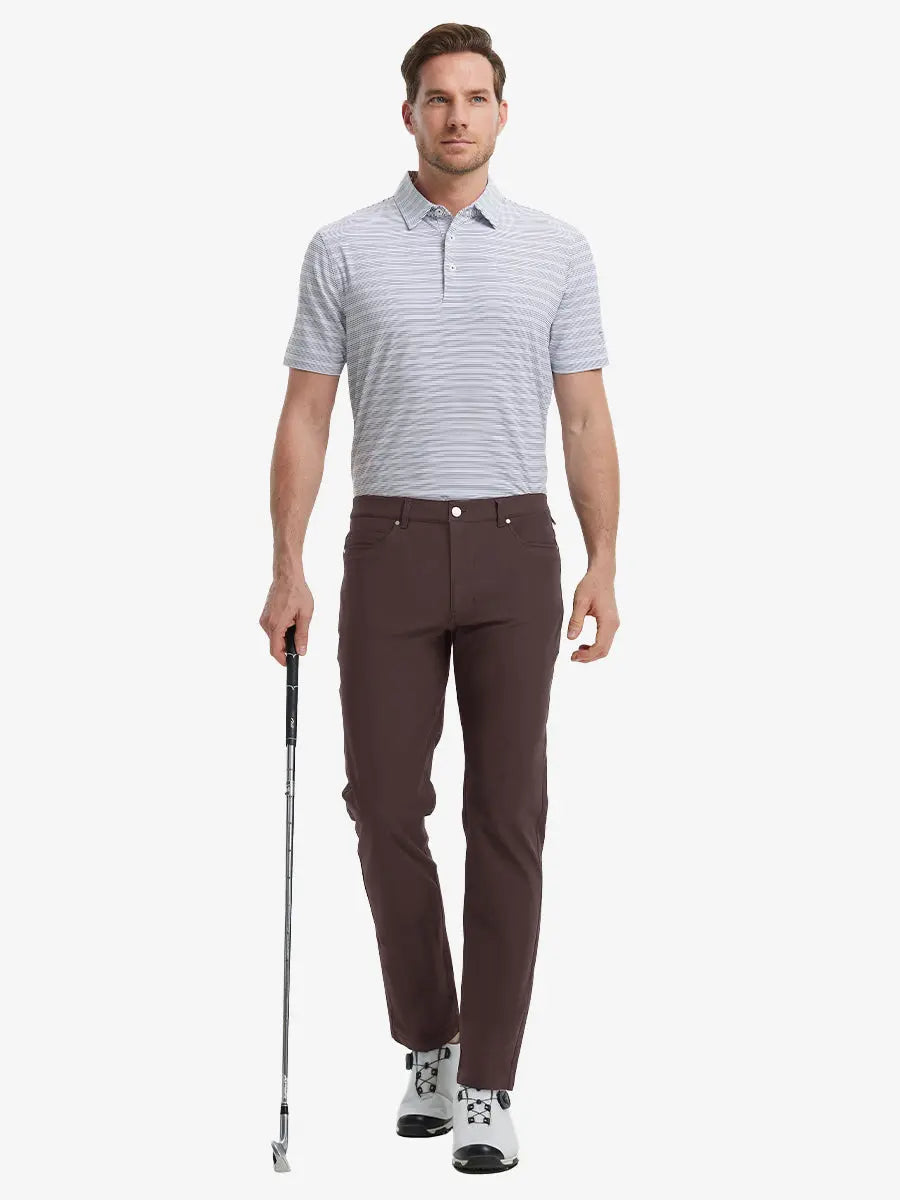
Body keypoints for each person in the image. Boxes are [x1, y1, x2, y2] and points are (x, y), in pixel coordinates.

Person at [259, 21, 620, 1175]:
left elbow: (584, 417)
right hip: (392, 542)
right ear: (408, 113)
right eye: (437, 97)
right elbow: (307, 412)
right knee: (381, 803)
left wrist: (604, 560)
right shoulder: (343, 247)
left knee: (508, 812)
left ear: (503, 113)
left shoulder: (557, 249)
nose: (457, 115)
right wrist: (287, 564)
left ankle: (490, 1083)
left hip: (517, 545)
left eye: (476, 97)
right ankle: (431, 1041)